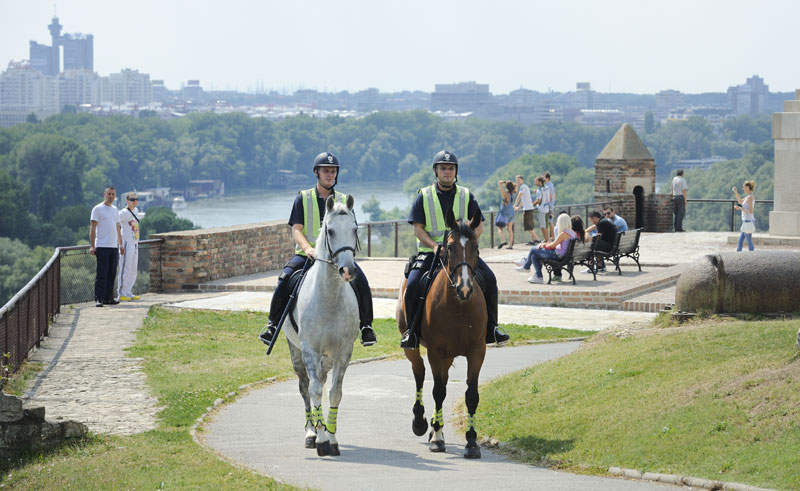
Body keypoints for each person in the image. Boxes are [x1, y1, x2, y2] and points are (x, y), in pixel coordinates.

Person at [258, 152, 377, 347]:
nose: (330, 175)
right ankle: (272, 326)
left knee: (361, 281)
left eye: (333, 171)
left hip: (337, 257)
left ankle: (366, 327)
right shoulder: (303, 197)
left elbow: (350, 230)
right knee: (284, 279)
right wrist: (307, 249)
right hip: (308, 256)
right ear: (316, 172)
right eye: (326, 171)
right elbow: (296, 230)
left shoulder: (344, 200)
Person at [400, 150, 509, 349]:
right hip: (430, 253)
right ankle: (412, 333)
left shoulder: (466, 195)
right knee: (413, 285)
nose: (447, 172)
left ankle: (493, 328)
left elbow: (479, 225)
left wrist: (466, 245)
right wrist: (434, 246)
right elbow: (417, 228)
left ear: (456, 171)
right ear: (436, 171)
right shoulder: (423, 195)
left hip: (461, 253)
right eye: (443, 168)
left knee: (490, 279)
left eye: (451, 168)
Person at [514, 213, 576, 284]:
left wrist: (544, 245)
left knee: (533, 249)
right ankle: (538, 277)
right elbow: (556, 244)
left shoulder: (563, 234)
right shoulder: (572, 233)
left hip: (557, 255)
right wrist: (546, 244)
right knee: (534, 256)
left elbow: (553, 245)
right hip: (563, 255)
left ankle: (526, 266)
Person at [90, 186, 124, 307]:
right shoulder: (97, 209)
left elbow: (117, 228)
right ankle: (99, 298)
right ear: (104, 194)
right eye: (109, 194)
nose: (111, 196)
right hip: (102, 246)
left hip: (113, 247)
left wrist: (120, 244)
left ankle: (108, 298)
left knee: (112, 273)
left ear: (115, 196)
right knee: (102, 274)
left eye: (113, 194)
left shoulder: (115, 209)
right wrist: (92, 246)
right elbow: (92, 228)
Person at [116, 192, 141, 301]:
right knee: (125, 268)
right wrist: (120, 242)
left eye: (136, 199)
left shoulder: (136, 211)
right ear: (127, 201)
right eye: (132, 199)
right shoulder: (123, 213)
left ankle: (128, 291)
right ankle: (121, 293)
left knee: (133, 269)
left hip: (135, 243)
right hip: (126, 243)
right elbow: (115, 223)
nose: (135, 201)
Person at [513, 175, 540, 245]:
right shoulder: (525, 187)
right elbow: (523, 199)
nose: (518, 182)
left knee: (528, 226)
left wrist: (514, 205)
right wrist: (518, 207)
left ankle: (537, 239)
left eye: (519, 180)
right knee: (530, 225)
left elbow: (519, 196)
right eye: (517, 180)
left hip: (528, 209)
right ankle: (532, 241)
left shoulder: (523, 187)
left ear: (522, 180)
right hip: (528, 208)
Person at [733, 180, 756, 252]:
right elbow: (740, 201)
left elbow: (750, 211)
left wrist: (740, 208)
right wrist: (736, 192)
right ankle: (738, 255)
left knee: (748, 241)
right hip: (745, 221)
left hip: (748, 221)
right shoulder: (748, 197)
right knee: (740, 240)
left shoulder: (750, 198)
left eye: (743, 187)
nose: (743, 189)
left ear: (748, 187)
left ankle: (752, 256)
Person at [496, 180, 516, 249]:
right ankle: (510, 245)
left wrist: (503, 182)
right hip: (512, 213)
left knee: (499, 228)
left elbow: (499, 184)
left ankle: (503, 240)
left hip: (504, 213)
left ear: (506, 187)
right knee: (509, 229)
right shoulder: (514, 193)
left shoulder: (505, 194)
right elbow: (516, 185)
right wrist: (509, 183)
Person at [532, 176, 550, 243]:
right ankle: (548, 239)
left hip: (541, 209)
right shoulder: (547, 188)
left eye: (536, 181)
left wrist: (533, 204)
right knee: (546, 225)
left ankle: (546, 240)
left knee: (542, 226)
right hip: (547, 208)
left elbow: (538, 200)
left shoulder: (539, 190)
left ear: (540, 182)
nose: (535, 183)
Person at [544, 172, 556, 240]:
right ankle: (552, 236)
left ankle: (553, 236)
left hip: (549, 206)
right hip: (551, 205)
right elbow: (554, 194)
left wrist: (548, 202)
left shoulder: (548, 186)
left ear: (547, 178)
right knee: (550, 221)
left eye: (544, 178)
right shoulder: (551, 185)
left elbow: (551, 196)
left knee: (550, 221)